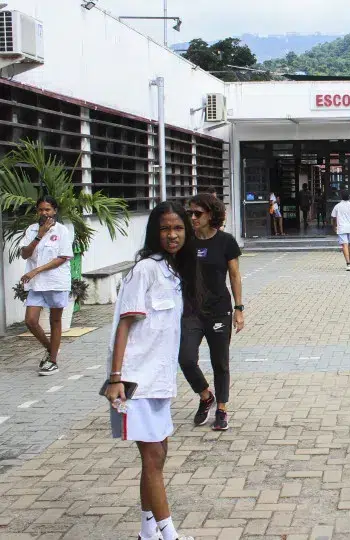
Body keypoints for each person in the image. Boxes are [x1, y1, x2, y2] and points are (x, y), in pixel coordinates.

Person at [103, 202, 200, 540]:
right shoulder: (145, 269)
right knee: (154, 457)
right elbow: (123, 325)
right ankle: (169, 535)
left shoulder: (173, 271)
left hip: (159, 382)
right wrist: (115, 379)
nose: (172, 235)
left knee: (158, 456)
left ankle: (147, 532)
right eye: (165, 229)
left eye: (178, 228)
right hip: (135, 382)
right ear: (154, 233)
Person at [179, 193, 244, 431]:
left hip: (219, 311)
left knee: (220, 362)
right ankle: (206, 396)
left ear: (211, 214)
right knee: (186, 358)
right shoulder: (186, 242)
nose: (193, 218)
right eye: (190, 213)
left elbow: (234, 276)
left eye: (198, 213)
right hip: (191, 311)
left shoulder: (226, 242)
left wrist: (239, 309)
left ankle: (222, 409)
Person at [19, 196, 74, 376]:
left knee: (55, 321)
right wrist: (39, 235)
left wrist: (36, 270)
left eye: (48, 209)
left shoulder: (62, 230)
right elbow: (25, 254)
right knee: (30, 320)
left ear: (54, 211)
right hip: (37, 285)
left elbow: (62, 258)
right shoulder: (31, 230)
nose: (44, 213)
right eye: (41, 209)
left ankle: (53, 362)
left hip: (56, 282)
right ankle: (51, 349)